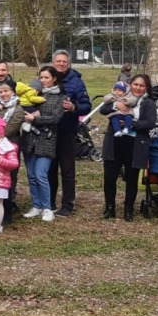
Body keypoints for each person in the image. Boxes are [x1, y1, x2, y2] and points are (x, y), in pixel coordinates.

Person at [100, 74, 155, 221]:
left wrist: (132, 124)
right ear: (130, 85)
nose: (138, 88)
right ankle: (109, 208)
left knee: (131, 178)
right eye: (135, 84)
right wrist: (115, 105)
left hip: (135, 144)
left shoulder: (148, 103)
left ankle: (128, 210)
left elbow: (150, 122)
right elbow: (103, 110)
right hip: (114, 142)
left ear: (146, 88)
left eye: (141, 85)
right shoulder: (120, 96)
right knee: (109, 177)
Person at [19, 65, 65, 222]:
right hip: (29, 139)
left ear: (54, 79)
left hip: (46, 140)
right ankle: (36, 205)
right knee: (31, 175)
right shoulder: (32, 93)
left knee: (41, 175)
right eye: (41, 77)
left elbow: (56, 118)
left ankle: (47, 207)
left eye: (46, 77)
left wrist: (36, 119)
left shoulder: (60, 98)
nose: (43, 80)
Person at [48, 50, 89, 216]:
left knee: (67, 170)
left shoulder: (76, 82)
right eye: (58, 61)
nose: (61, 64)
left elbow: (86, 105)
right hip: (48, 132)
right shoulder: (46, 78)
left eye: (64, 61)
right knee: (49, 169)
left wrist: (74, 108)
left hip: (67, 131)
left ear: (69, 63)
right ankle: (48, 202)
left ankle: (67, 204)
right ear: (53, 63)